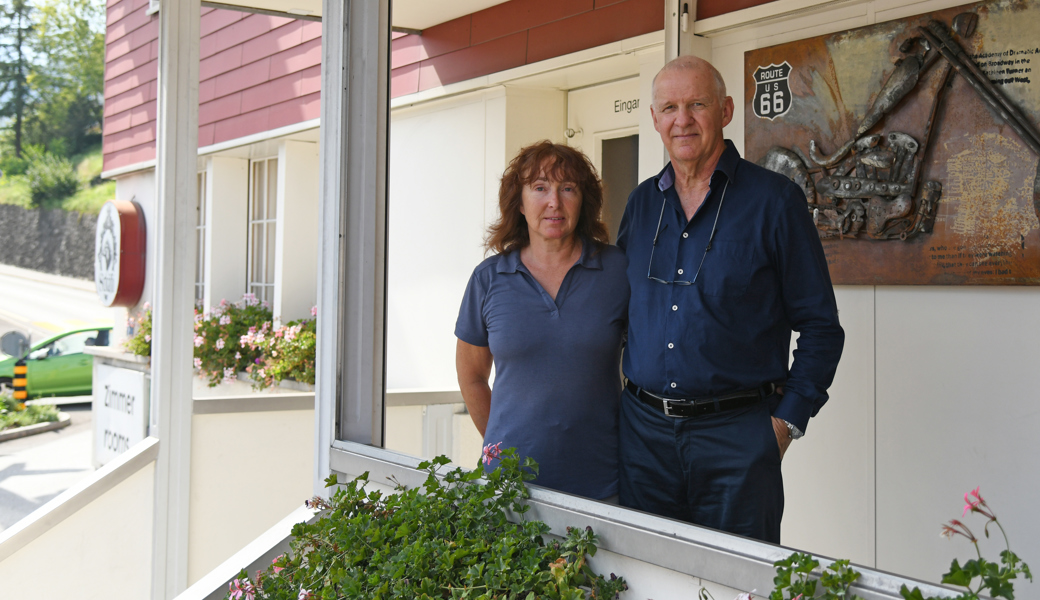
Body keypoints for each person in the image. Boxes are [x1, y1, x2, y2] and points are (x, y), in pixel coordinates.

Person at [615, 56, 845, 542]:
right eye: (670, 107)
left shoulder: (775, 202)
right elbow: (613, 313)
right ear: (654, 119)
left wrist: (785, 424)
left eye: (696, 104)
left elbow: (821, 326)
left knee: (738, 585)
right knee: (647, 579)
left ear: (724, 109)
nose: (683, 119)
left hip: (738, 440)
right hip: (643, 439)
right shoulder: (640, 205)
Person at [455, 141, 629, 500]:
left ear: (583, 202)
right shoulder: (489, 278)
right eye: (540, 188)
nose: (555, 202)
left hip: (604, 481)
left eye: (568, 188)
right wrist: (500, 451)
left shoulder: (616, 270)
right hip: (511, 487)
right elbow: (471, 375)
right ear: (519, 203)